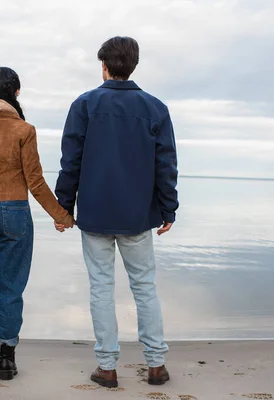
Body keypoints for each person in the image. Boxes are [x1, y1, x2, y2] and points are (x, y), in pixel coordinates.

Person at [55, 36, 179, 388]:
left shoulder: (84, 105)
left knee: (101, 288)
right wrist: (168, 207)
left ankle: (107, 367)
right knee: (144, 287)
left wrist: (64, 207)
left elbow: (71, 162)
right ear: (134, 65)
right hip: (137, 215)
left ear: (104, 67)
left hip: (94, 214)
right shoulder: (156, 108)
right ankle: (156, 365)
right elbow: (166, 164)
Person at [0, 67, 75, 381]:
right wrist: (61, 216)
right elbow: (35, 182)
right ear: (16, 93)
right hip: (15, 214)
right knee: (11, 290)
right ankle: (7, 358)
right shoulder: (24, 130)